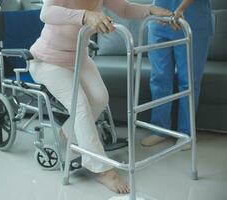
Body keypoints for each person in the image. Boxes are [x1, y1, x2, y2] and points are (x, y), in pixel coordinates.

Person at [29, 0, 171, 194]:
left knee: (100, 98)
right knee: (79, 104)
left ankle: (67, 132)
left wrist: (149, 9)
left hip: (79, 57)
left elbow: (124, 9)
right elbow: (46, 13)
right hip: (47, 61)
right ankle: (101, 169)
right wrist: (86, 15)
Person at [141, 0, 213, 148]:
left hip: (191, 21)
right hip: (160, 22)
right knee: (159, 78)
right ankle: (159, 129)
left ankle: (186, 133)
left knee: (188, 80)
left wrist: (182, 8)